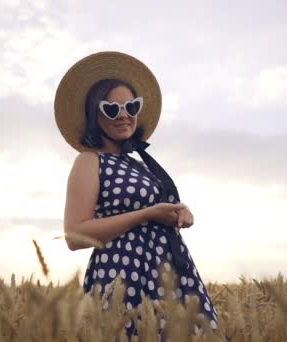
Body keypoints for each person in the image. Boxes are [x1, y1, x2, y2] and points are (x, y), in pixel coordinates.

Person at [54, 51, 219, 339]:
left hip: (167, 271)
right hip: (122, 276)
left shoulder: (138, 164)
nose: (124, 115)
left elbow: (156, 210)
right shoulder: (89, 160)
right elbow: (74, 235)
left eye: (131, 106)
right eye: (112, 109)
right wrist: (147, 213)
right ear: (95, 113)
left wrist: (179, 213)